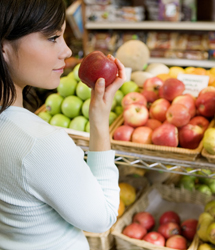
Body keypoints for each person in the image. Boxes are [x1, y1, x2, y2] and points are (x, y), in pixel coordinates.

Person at [0, 0, 126, 249]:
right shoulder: (39, 144)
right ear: (3, 48)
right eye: (53, 37)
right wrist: (99, 121)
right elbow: (103, 217)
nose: (67, 51)